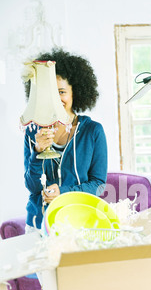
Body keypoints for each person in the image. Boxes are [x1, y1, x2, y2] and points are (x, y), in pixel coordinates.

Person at [23, 48, 108, 231]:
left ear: (74, 93)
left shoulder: (93, 131)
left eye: (61, 92)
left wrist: (64, 192)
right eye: (51, 92)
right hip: (39, 224)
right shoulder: (32, 132)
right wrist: (37, 152)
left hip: (80, 224)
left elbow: (99, 186)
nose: (56, 98)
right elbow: (32, 186)